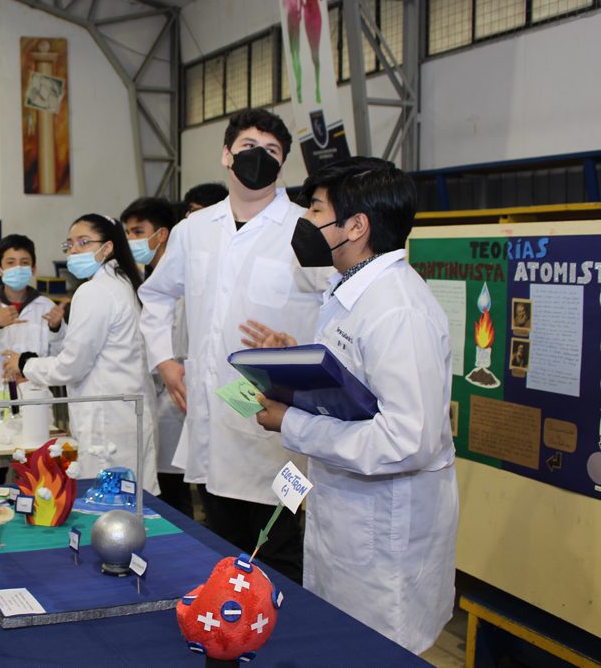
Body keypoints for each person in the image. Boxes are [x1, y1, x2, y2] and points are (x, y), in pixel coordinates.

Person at [248, 156, 459, 654]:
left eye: (317, 210)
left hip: (383, 540)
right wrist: (297, 364)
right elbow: (357, 382)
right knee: (339, 643)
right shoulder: (352, 290)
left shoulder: (398, 310)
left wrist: (292, 423)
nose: (305, 221)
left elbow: (407, 440)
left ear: (356, 226)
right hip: (346, 518)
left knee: (374, 651)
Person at [138, 108, 330, 582]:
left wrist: (300, 348)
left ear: (282, 165)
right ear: (227, 155)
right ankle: (228, 619)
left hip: (276, 417)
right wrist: (165, 362)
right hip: (213, 415)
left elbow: (338, 307)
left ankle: (281, 624)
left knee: (279, 545)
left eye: (271, 151)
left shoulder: (304, 230)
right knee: (221, 544)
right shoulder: (194, 230)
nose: (258, 157)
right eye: (248, 147)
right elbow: (156, 296)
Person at [3, 214, 159, 494]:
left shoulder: (95, 291)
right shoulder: (123, 284)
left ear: (108, 247)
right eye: (70, 244)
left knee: (110, 507)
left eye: (83, 242)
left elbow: (71, 366)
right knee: (134, 504)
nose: (74, 250)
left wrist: (24, 363)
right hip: (125, 415)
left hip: (107, 424)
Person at [121, 198, 193, 517]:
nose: (131, 240)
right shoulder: (143, 278)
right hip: (154, 395)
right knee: (160, 486)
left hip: (174, 393)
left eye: (138, 232)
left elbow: (176, 345)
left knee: (174, 492)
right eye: (127, 233)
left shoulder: (180, 283)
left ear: (161, 234)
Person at [0, 234, 65, 413]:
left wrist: (56, 329)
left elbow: (62, 358)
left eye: (24, 263)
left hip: (35, 397)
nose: (18, 268)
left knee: (37, 431)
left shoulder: (47, 307)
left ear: (33, 269)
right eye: (10, 262)